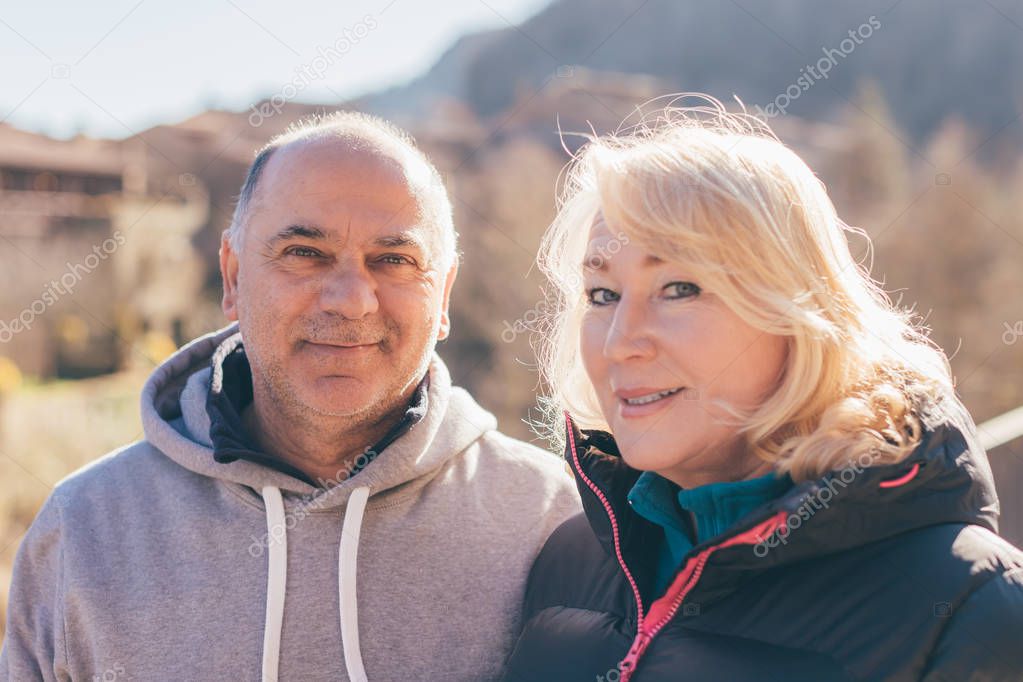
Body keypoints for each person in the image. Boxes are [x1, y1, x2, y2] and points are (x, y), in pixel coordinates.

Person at [0, 112, 580, 682]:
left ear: (444, 294)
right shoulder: (83, 529)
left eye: (394, 260)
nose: (352, 300)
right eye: (305, 253)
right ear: (232, 278)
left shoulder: (555, 522)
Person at [503, 97, 1023, 681]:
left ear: (796, 313)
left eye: (679, 287)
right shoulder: (567, 562)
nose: (622, 340)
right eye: (603, 295)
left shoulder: (973, 606)